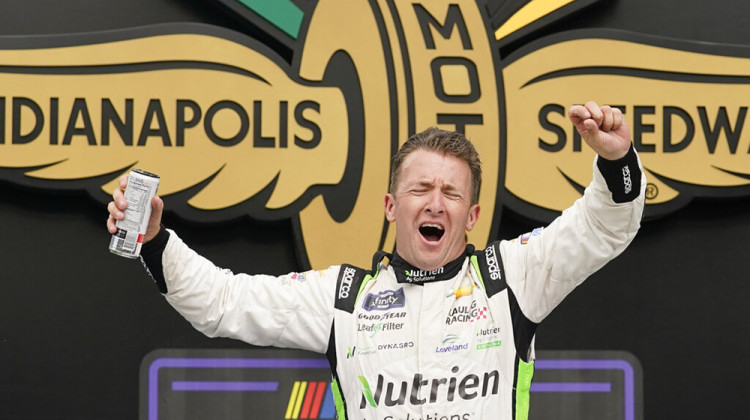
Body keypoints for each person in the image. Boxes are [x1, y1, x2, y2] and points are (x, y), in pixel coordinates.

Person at [107, 101, 645, 419]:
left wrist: (616, 159)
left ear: (473, 215)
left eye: (451, 194)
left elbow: (603, 226)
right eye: (421, 189)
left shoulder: (512, 278)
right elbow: (224, 302)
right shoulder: (345, 297)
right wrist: (155, 240)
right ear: (391, 206)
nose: (436, 203)